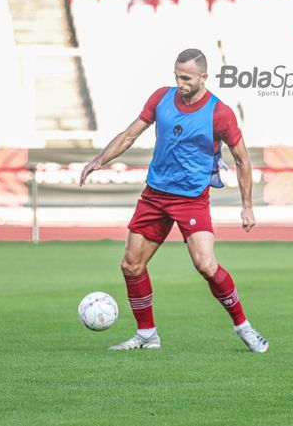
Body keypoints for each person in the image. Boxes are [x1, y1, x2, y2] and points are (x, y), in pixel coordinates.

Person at [79, 48, 269, 353]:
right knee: (131, 265)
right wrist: (101, 159)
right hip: (155, 194)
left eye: (187, 78)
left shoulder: (220, 113)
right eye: (177, 76)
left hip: (191, 198)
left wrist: (246, 206)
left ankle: (244, 327)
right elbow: (130, 135)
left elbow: (242, 160)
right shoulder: (161, 98)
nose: (180, 83)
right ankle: (146, 335)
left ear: (204, 77)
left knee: (206, 265)